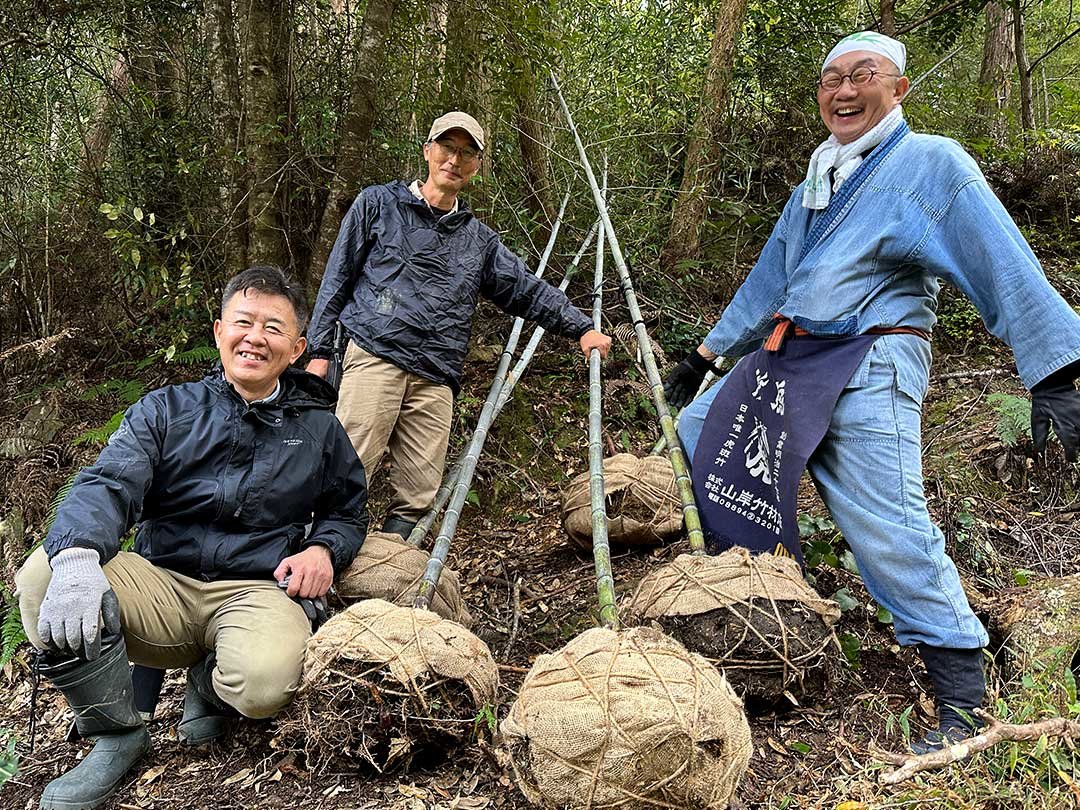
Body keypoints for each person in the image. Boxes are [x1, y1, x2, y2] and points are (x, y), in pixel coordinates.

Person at [662, 31, 1080, 753]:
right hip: (791, 355)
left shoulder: (929, 164)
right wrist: (706, 354)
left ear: (899, 89)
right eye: (831, 79)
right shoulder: (817, 181)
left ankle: (963, 696)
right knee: (701, 433)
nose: (844, 91)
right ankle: (750, 599)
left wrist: (1056, 368)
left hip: (871, 358)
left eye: (864, 75)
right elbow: (772, 281)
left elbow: (999, 259)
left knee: (888, 523)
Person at [15, 266, 369, 810]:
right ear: (218, 331)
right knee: (46, 573)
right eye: (243, 322)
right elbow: (109, 483)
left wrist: (324, 548)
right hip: (160, 582)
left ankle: (208, 682)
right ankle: (117, 735)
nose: (255, 337)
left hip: (256, 588)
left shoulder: (319, 428)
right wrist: (82, 554)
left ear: (297, 348)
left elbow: (347, 511)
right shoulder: (166, 411)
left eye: (274, 328)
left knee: (264, 684)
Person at [306, 111, 612, 538]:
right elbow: (336, 278)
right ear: (428, 150)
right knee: (345, 470)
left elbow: (525, 289)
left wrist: (581, 327)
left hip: (436, 374)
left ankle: (386, 573)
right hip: (375, 355)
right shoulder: (378, 204)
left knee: (418, 492)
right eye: (448, 147)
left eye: (467, 153)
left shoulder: (478, 240)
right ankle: (313, 566)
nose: (455, 159)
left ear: (477, 166)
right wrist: (318, 353)